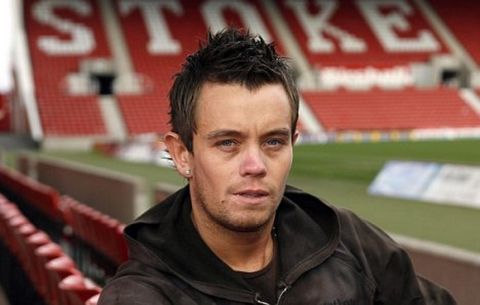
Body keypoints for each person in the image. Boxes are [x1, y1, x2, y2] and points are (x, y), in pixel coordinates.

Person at [99, 28, 455, 305]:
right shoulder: (142, 295)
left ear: (292, 145)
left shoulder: (346, 238)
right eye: (228, 143)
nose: (255, 165)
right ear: (182, 154)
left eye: (273, 142)